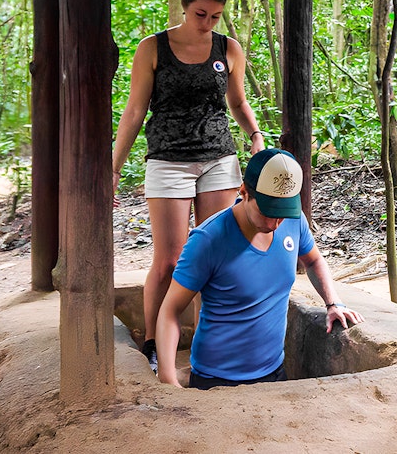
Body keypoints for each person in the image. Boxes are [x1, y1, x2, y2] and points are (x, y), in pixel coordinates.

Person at [112, 0, 266, 374]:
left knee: (214, 254)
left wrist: (255, 133)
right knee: (170, 259)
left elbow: (237, 103)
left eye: (215, 17)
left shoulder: (228, 48)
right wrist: (113, 168)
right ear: (185, 6)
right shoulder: (153, 48)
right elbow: (133, 112)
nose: (207, 24)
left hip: (218, 158)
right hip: (167, 160)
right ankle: (151, 342)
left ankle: (206, 343)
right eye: (201, 14)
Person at [156, 148, 365, 389]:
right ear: (244, 192)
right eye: (268, 211)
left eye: (283, 213)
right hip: (216, 380)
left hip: (274, 372)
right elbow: (170, 311)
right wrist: (167, 377)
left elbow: (314, 260)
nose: (276, 222)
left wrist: (333, 302)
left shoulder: (294, 221)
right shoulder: (208, 240)